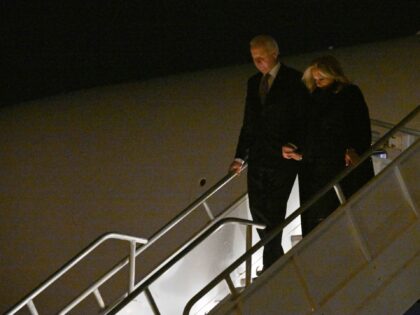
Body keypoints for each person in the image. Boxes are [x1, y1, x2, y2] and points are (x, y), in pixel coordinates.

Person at [230, 35, 308, 271]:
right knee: (258, 211)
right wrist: (239, 156)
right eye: (254, 58)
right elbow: (249, 122)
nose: (258, 62)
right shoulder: (254, 82)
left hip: (283, 157)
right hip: (258, 155)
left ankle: (270, 265)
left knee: (275, 210)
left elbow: (303, 117)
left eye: (261, 57)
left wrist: (296, 144)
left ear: (275, 53)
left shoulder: (294, 79)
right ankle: (277, 258)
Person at [282, 55, 374, 236]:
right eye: (315, 79)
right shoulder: (312, 98)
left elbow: (360, 126)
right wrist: (298, 150)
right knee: (321, 218)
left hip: (338, 165)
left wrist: (353, 148)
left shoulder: (349, 93)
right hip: (317, 167)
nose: (318, 83)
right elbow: (309, 131)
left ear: (334, 75)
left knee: (340, 215)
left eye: (321, 79)